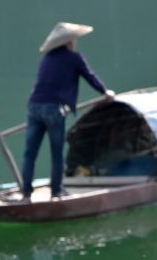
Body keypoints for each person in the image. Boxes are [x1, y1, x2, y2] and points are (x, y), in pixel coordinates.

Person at [19, 22, 114, 201]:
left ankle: (26, 193)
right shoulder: (74, 58)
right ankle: (56, 192)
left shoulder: (46, 59)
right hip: (54, 109)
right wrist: (105, 92)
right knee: (57, 153)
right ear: (69, 42)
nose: (75, 43)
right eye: (74, 40)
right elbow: (90, 76)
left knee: (29, 154)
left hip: (34, 107)